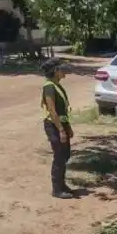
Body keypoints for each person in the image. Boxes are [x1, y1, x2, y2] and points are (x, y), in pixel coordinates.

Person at [41, 58, 77, 199]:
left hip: (61, 124)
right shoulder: (49, 87)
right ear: (55, 71)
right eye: (62, 71)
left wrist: (68, 127)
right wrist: (61, 130)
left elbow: (63, 112)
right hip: (53, 125)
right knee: (59, 156)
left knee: (65, 154)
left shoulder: (57, 86)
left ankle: (62, 185)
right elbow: (52, 110)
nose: (64, 74)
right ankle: (57, 189)